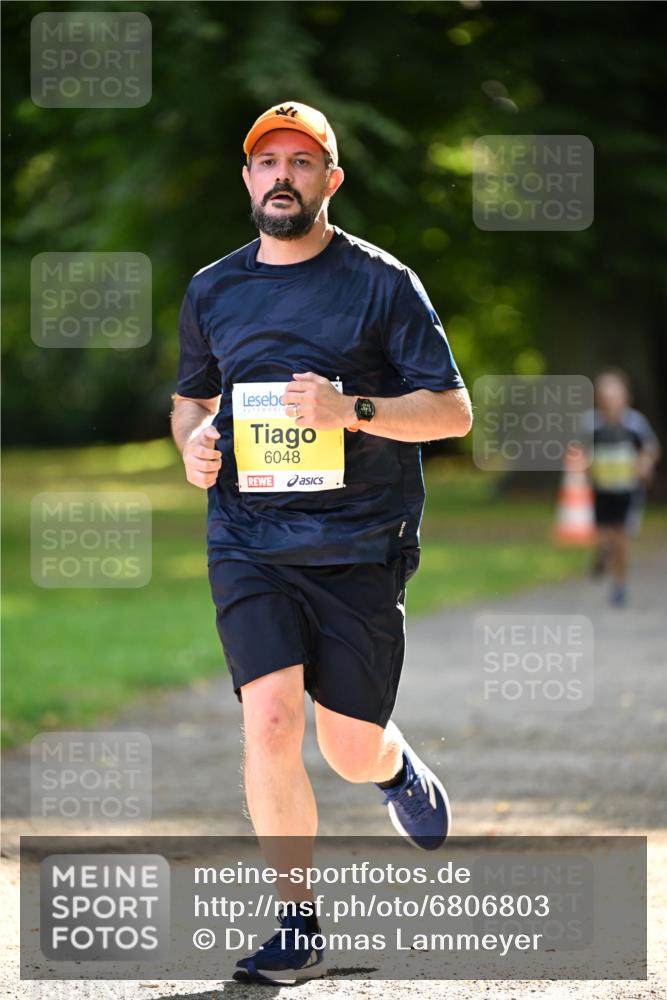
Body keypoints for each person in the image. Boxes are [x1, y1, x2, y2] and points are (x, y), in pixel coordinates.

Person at [170, 101, 472, 984]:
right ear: (247, 178)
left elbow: (452, 411)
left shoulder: (382, 282)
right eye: (268, 162)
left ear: (329, 181)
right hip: (248, 537)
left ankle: (390, 764)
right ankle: (297, 928)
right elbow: (193, 398)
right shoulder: (212, 288)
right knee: (267, 719)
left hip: (358, 542)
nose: (283, 177)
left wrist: (352, 411)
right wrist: (191, 442)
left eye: (303, 163)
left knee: (345, 747)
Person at [587, 369, 660, 606]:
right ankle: (603, 553)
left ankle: (620, 583)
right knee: (606, 535)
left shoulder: (635, 424)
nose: (609, 400)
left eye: (613, 394)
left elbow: (650, 448)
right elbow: (580, 451)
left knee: (622, 538)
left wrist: (645, 465)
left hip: (628, 490)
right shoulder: (592, 425)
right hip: (603, 489)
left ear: (624, 396)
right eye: (604, 395)